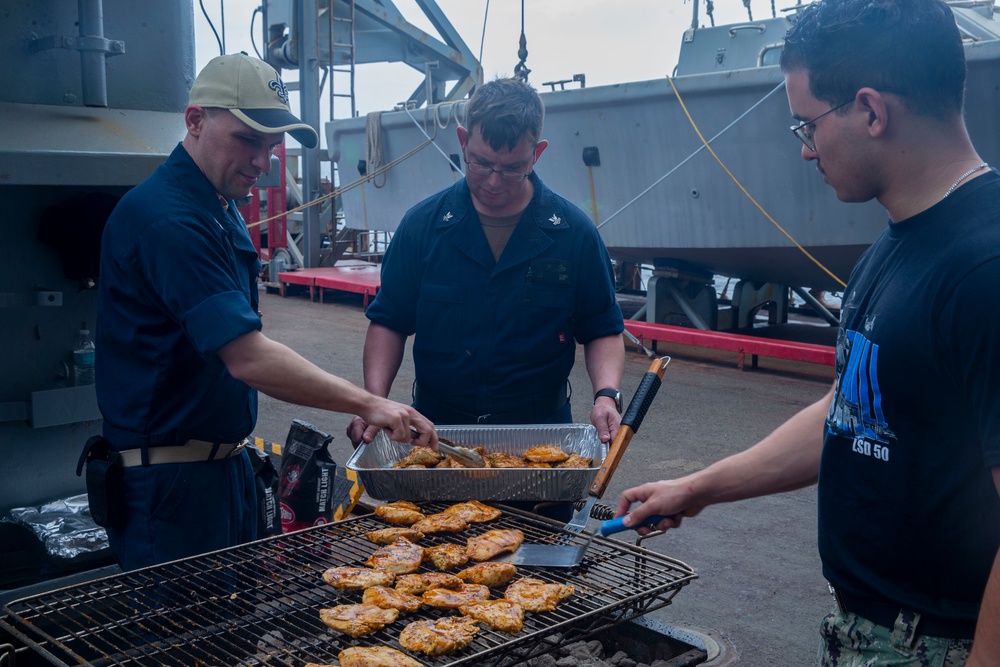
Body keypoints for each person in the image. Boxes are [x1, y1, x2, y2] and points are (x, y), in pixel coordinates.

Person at [615, 1, 1000, 665]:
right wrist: (697, 487)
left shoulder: (985, 266)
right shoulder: (894, 243)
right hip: (862, 629)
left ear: (872, 111)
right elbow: (854, 409)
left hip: (938, 644)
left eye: (807, 122)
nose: (803, 146)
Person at [92, 53, 437, 571]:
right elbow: (248, 357)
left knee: (231, 632)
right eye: (248, 139)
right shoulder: (168, 218)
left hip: (220, 471)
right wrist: (371, 404)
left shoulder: (217, 206)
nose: (262, 160)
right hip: (168, 489)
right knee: (181, 643)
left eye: (271, 145)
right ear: (195, 121)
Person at [347, 76, 625, 451]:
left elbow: (602, 328)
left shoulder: (573, 234)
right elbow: (389, 322)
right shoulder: (422, 227)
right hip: (435, 433)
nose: (494, 181)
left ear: (537, 153)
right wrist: (374, 400)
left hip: (539, 438)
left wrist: (606, 395)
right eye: (480, 163)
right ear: (463, 141)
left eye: (512, 168)